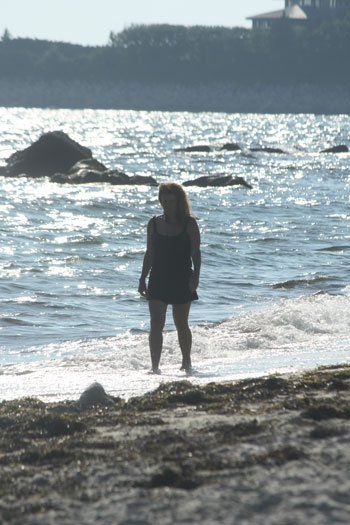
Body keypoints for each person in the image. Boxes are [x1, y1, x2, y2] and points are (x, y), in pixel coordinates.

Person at [138, 182, 201, 373]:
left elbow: (196, 253)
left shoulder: (189, 224)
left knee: (181, 323)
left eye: (170, 201)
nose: (167, 205)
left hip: (181, 277)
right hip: (158, 278)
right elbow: (149, 253)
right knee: (156, 322)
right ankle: (155, 367)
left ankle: (186, 363)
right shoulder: (153, 223)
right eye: (163, 201)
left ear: (179, 201)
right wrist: (142, 278)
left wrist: (195, 276)